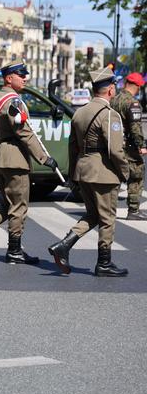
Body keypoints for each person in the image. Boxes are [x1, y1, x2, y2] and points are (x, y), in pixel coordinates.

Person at [0, 61, 57, 264]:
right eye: (21, 75)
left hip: (1, 155)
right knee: (19, 206)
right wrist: (44, 158)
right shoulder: (13, 102)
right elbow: (24, 132)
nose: (25, 78)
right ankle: (14, 251)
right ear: (9, 78)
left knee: (9, 204)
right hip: (14, 158)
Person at [48, 67, 129, 276]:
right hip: (103, 172)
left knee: (93, 215)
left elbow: (72, 147)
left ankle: (64, 245)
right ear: (110, 90)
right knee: (108, 218)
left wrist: (73, 174)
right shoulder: (110, 115)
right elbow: (115, 149)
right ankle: (104, 263)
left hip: (83, 171)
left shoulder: (79, 113)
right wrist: (125, 172)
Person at [110, 72, 147, 220]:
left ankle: (108, 209)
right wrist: (141, 145)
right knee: (136, 176)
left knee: (115, 177)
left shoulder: (113, 100)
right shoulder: (133, 103)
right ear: (137, 86)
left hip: (115, 144)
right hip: (130, 147)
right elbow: (136, 128)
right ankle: (133, 210)